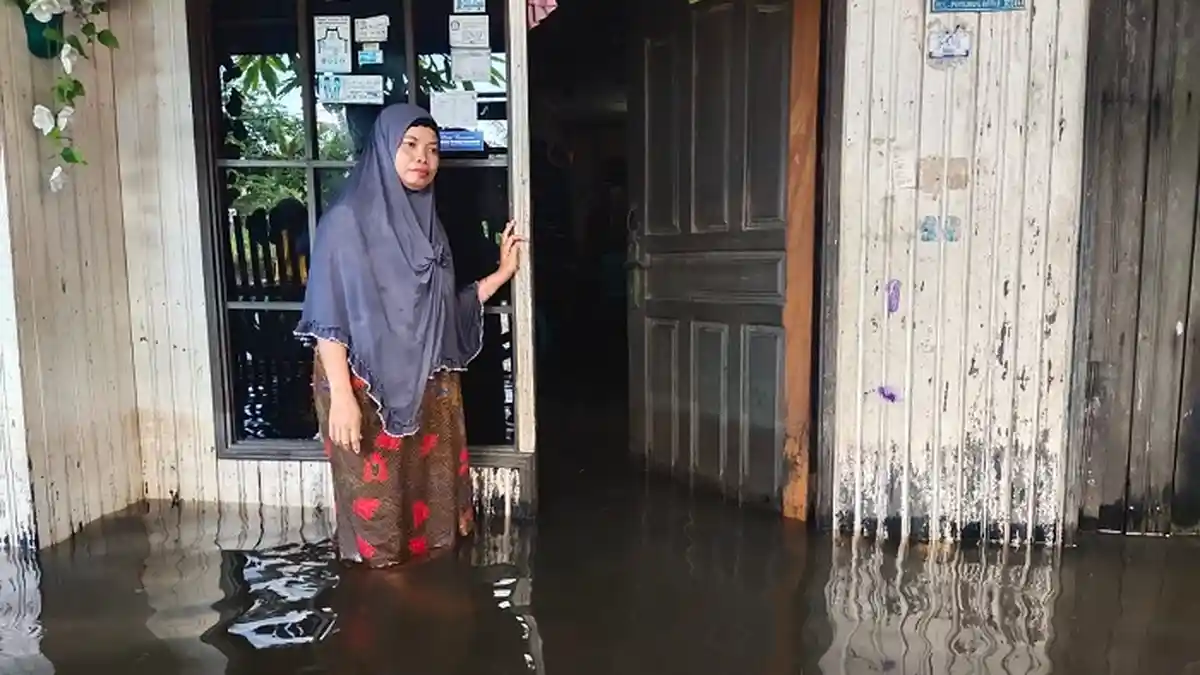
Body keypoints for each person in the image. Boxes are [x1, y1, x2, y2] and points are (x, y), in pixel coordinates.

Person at [295, 103, 525, 567]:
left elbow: (438, 308)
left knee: (432, 506)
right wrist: (341, 395)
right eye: (410, 146)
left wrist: (501, 274)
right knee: (376, 513)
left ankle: (432, 609)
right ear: (384, 150)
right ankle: (383, 608)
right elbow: (328, 315)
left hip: (429, 385)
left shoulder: (429, 227)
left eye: (433, 150)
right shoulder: (346, 223)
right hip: (364, 388)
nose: (423, 158)